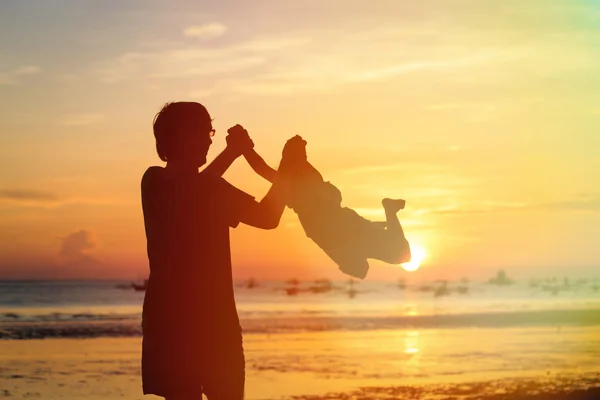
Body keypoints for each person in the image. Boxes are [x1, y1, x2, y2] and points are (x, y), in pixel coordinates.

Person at [140, 102, 305, 400]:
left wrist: (280, 166)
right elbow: (190, 193)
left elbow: (264, 216)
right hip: (194, 325)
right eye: (205, 132)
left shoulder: (179, 184)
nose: (210, 140)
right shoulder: (161, 181)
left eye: (210, 132)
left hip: (188, 322)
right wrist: (241, 153)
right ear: (181, 135)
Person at [227, 126, 411, 279]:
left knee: (395, 256)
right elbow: (265, 170)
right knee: (399, 254)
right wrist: (244, 149)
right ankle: (389, 210)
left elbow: (264, 170)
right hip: (337, 232)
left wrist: (244, 149)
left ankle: (388, 213)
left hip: (339, 233)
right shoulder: (298, 190)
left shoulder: (293, 189)